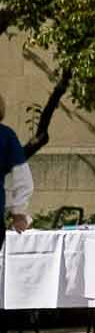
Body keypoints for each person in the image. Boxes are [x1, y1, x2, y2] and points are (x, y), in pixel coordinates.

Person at [1, 94, 30, 233]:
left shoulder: (6, 136)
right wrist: (18, 212)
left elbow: (23, 177)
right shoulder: (6, 135)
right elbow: (24, 178)